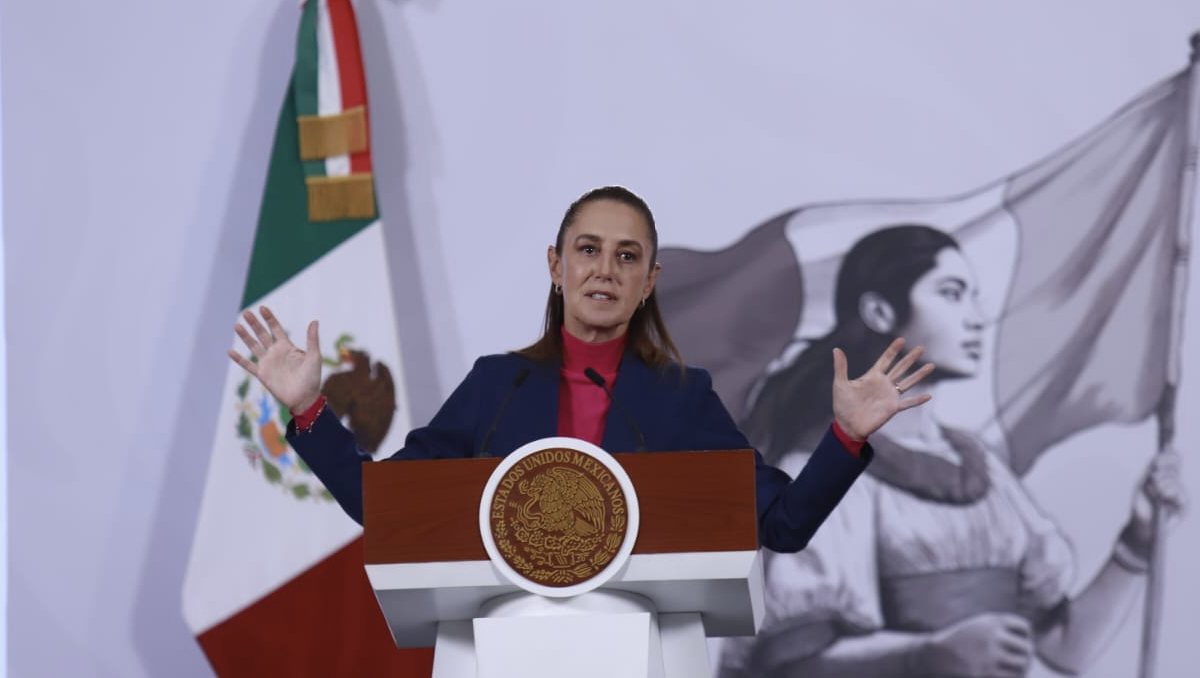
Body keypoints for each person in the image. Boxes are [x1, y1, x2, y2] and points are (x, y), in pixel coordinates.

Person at [228, 186, 935, 553]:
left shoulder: (681, 398)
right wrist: (310, 412)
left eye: (627, 256)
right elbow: (386, 509)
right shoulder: (495, 387)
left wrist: (844, 437)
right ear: (555, 266)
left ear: (650, 278)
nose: (605, 269)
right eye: (588, 249)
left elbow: (781, 523)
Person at [718, 224, 1186, 677]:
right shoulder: (823, 475)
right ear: (880, 312)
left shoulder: (984, 472)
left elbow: (1065, 649)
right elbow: (788, 665)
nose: (978, 316)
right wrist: (924, 657)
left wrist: (1137, 540)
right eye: (951, 293)